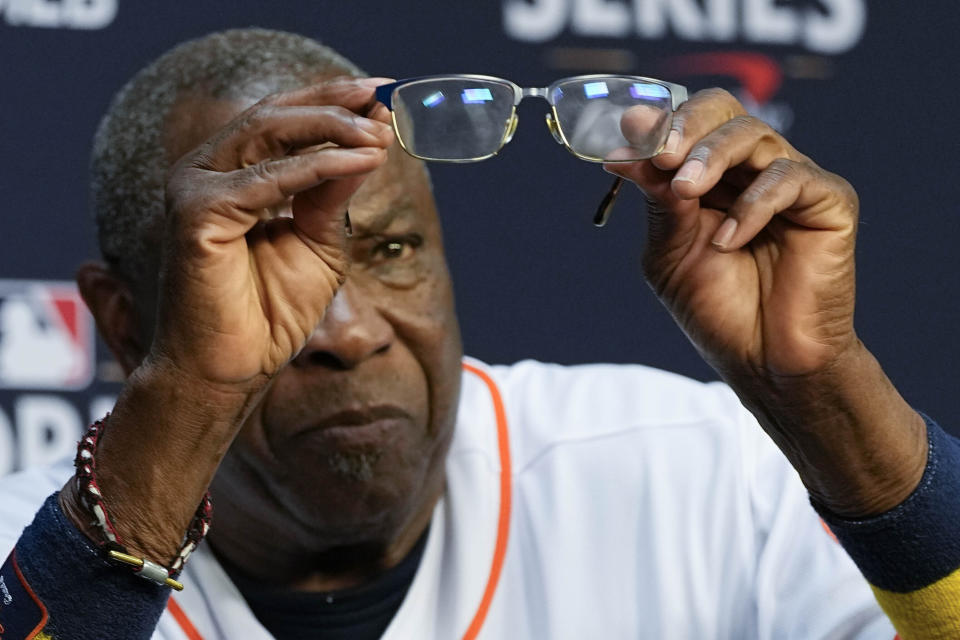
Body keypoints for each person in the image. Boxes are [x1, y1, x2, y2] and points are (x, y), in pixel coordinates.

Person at [1, 28, 958, 640]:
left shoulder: (700, 477)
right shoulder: (29, 551)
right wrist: (192, 398)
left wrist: (824, 388)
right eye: (263, 261)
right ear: (126, 321)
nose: (347, 328)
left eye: (390, 249)